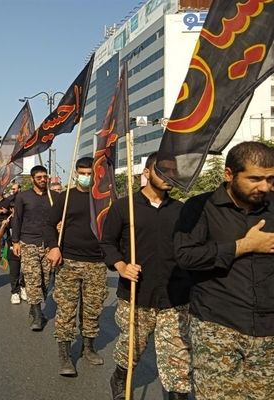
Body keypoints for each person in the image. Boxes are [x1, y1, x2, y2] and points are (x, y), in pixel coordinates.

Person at [173, 141, 274, 399]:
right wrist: (242, 246)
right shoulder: (199, 208)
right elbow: (186, 256)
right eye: (255, 179)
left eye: (270, 179)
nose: (264, 187)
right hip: (217, 326)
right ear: (229, 174)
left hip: (268, 330)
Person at [100, 153, 192, 400]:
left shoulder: (182, 210)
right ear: (147, 173)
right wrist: (121, 266)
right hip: (136, 295)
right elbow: (107, 243)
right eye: (162, 171)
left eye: (172, 172)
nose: (168, 177)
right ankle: (120, 377)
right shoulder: (124, 206)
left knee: (178, 359)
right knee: (132, 349)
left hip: (175, 297)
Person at [45, 157, 107, 377]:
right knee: (66, 309)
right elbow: (48, 225)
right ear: (75, 173)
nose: (86, 177)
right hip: (69, 261)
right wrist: (54, 246)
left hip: (97, 263)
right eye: (83, 173)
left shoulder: (104, 198)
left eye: (90, 173)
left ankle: (88, 347)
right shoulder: (66, 197)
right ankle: (65, 354)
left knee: (92, 309)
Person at [12, 165, 55, 331]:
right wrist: (15, 241)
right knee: (32, 277)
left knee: (45, 280)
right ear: (32, 179)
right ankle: (38, 315)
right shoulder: (23, 197)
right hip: (28, 242)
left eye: (45, 177)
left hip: (48, 244)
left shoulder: (54, 197)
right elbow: (17, 219)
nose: (43, 180)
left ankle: (34, 305)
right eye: (39, 177)